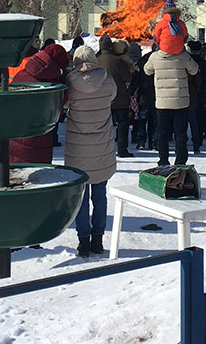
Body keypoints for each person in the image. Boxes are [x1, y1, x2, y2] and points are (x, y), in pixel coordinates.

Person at [64, 45, 117, 257]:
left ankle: (83, 241)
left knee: (81, 196)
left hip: (78, 145)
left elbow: (65, 103)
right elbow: (112, 97)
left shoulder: (70, 82)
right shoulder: (108, 80)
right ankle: (98, 240)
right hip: (102, 144)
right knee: (100, 194)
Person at [8, 44, 69, 164]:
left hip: (12, 134)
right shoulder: (53, 84)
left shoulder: (22, 73)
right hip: (37, 138)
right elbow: (57, 113)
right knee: (36, 178)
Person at [144, 46, 199, 166]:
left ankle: (163, 160)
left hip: (162, 102)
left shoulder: (155, 57)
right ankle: (180, 161)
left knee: (162, 133)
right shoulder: (183, 56)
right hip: (180, 102)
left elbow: (147, 70)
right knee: (180, 134)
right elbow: (194, 70)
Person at [97, 34, 134, 157]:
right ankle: (122, 150)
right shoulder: (117, 61)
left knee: (102, 126)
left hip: (101, 98)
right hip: (119, 98)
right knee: (123, 124)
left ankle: (102, 150)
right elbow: (128, 77)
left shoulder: (96, 60)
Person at [130, 44, 158, 150]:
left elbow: (136, 79)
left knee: (142, 121)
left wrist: (131, 91)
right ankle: (155, 142)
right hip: (157, 96)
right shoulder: (161, 61)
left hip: (144, 96)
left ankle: (141, 142)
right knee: (155, 122)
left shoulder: (142, 61)